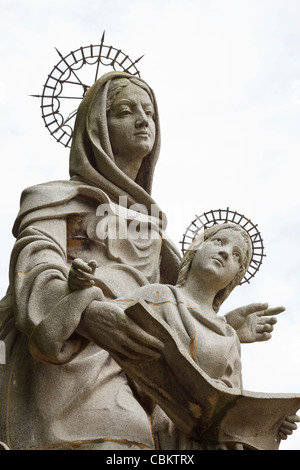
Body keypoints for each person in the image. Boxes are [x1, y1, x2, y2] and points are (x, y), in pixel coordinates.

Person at [0, 71, 181, 450]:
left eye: (149, 112)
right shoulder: (56, 199)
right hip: (73, 359)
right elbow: (34, 266)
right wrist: (86, 311)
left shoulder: (157, 235)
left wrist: (227, 325)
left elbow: (180, 312)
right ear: (97, 128)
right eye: (125, 111)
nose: (142, 120)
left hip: (138, 374)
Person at [70, 223, 299, 449]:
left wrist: (270, 424)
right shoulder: (157, 295)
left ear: (233, 280)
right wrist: (77, 287)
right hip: (154, 430)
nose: (225, 252)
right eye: (219, 241)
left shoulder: (228, 336)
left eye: (237, 256)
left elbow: (233, 407)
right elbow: (98, 325)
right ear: (196, 249)